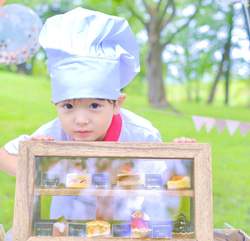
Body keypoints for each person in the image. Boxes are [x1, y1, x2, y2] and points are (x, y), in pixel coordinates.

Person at [0, 8, 196, 221]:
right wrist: (37, 160)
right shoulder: (55, 132)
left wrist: (182, 161)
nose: (80, 119)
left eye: (94, 105)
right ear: (55, 104)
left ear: (117, 104)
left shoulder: (141, 133)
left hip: (123, 230)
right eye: (68, 106)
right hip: (65, 233)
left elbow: (160, 180)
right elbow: (4, 156)